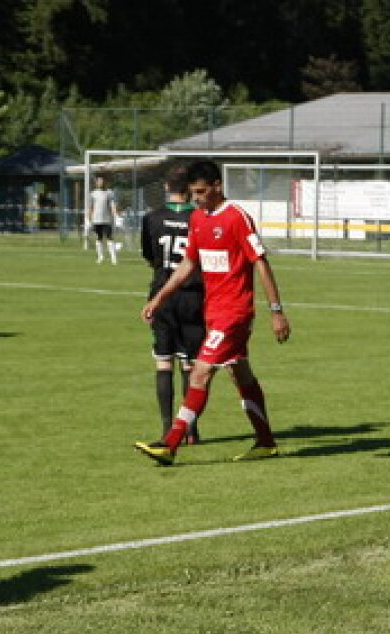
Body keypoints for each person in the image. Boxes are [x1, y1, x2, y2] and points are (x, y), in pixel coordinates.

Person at [134, 159, 290, 466]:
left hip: (235, 313)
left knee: (201, 371)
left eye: (202, 192)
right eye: (193, 193)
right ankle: (266, 441)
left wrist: (276, 311)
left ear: (218, 186)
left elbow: (260, 262)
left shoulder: (236, 217)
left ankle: (171, 443)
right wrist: (160, 297)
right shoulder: (198, 218)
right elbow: (188, 264)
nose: (197, 199)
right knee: (239, 373)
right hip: (212, 311)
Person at [139, 167, 204, 443]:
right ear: (189, 188)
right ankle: (189, 428)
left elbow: (149, 255)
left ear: (167, 187)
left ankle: (168, 428)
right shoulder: (199, 218)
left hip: (162, 295)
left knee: (163, 362)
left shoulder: (152, 218)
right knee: (190, 365)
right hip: (193, 295)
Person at [87, 174, 121, 264]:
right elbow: (90, 207)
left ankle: (114, 258)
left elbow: (112, 205)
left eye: (102, 181)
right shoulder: (93, 194)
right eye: (99, 181)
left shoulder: (109, 193)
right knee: (99, 238)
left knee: (110, 237)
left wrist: (117, 216)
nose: (100, 183)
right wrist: (88, 220)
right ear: (96, 183)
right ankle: (100, 257)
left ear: (105, 182)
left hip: (107, 220)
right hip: (96, 220)